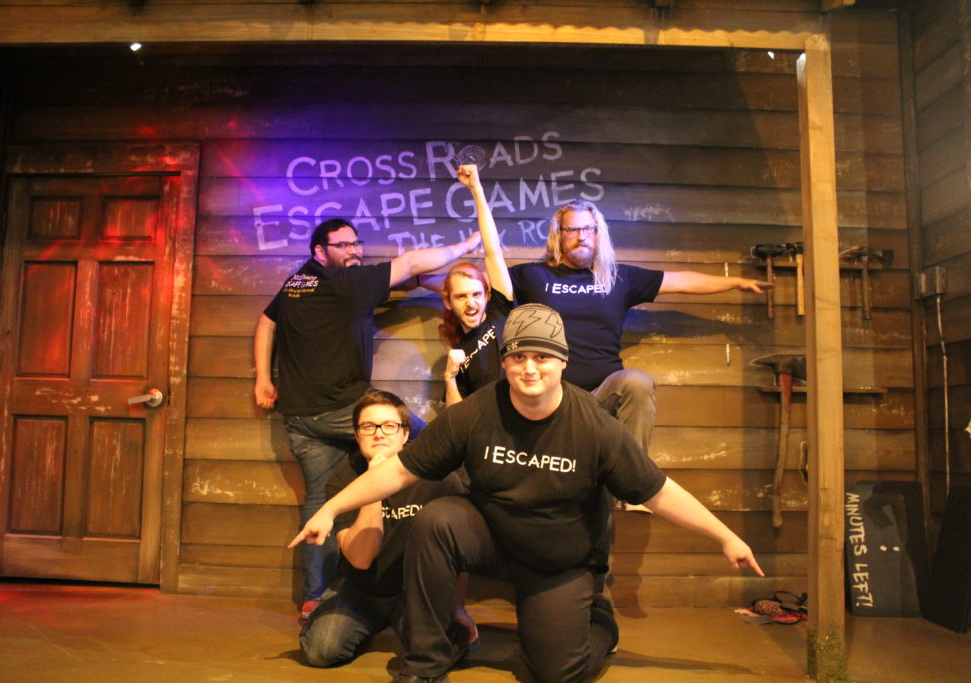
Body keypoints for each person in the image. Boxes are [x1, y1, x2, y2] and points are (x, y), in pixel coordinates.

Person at [290, 304, 765, 683]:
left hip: (559, 560)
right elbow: (400, 470)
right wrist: (332, 508)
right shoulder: (477, 412)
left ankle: (596, 618)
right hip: (493, 539)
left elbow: (658, 491)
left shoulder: (593, 426)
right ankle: (425, 665)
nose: (529, 368)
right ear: (505, 362)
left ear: (562, 361)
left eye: (541, 356)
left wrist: (726, 537)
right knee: (437, 519)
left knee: (556, 672)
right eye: (518, 356)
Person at [254, 217, 481, 619]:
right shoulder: (346, 283)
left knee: (320, 503)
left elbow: (266, 322)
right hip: (343, 408)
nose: (354, 252)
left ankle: (314, 598)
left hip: (300, 416)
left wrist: (262, 377)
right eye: (343, 246)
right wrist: (465, 246)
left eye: (357, 244)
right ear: (320, 252)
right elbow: (411, 264)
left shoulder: (297, 283)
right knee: (437, 443)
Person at [509, 200, 772, 455]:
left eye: (589, 229)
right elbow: (479, 282)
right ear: (559, 235)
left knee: (637, 382)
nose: (582, 236)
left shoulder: (617, 277)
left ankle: (631, 484)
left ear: (598, 234)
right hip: (550, 394)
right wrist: (466, 246)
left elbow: (681, 282)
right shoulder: (534, 275)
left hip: (602, 393)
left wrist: (736, 282)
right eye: (573, 229)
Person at [300, 390, 476, 668]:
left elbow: (462, 553)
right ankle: (362, 624)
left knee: (446, 651)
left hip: (417, 593)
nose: (378, 434)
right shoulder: (343, 479)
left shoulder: (438, 478)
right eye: (368, 427)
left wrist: (456, 607)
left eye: (389, 426)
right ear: (357, 436)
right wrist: (374, 482)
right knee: (321, 651)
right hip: (360, 590)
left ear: (406, 434)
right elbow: (360, 558)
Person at [439, 164, 513, 406]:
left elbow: (493, 253)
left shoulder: (500, 312)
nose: (471, 303)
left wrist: (476, 189)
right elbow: (454, 419)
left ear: (487, 295)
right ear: (448, 302)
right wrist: (450, 377)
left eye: (476, 294)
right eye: (461, 297)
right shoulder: (458, 353)